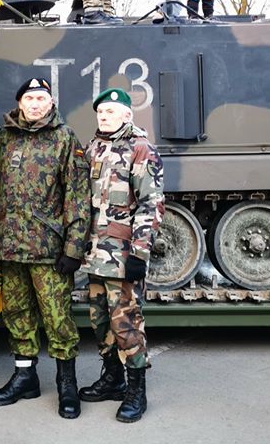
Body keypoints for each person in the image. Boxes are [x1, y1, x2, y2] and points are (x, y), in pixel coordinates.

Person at [0, 77, 91, 419]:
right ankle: (25, 376)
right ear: (20, 103)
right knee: (17, 315)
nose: (35, 104)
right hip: (9, 246)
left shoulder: (64, 138)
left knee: (57, 317)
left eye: (41, 98)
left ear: (50, 103)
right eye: (29, 98)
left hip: (49, 249)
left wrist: (74, 249)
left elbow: (77, 197)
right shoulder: (3, 138)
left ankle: (66, 383)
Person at [79, 88, 164, 423]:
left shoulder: (141, 149)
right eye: (101, 112)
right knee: (100, 322)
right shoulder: (95, 147)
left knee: (126, 324)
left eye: (112, 111)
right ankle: (113, 378)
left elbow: (151, 204)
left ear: (128, 115)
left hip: (124, 255)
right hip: (96, 254)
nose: (105, 116)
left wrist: (139, 254)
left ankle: (136, 389)